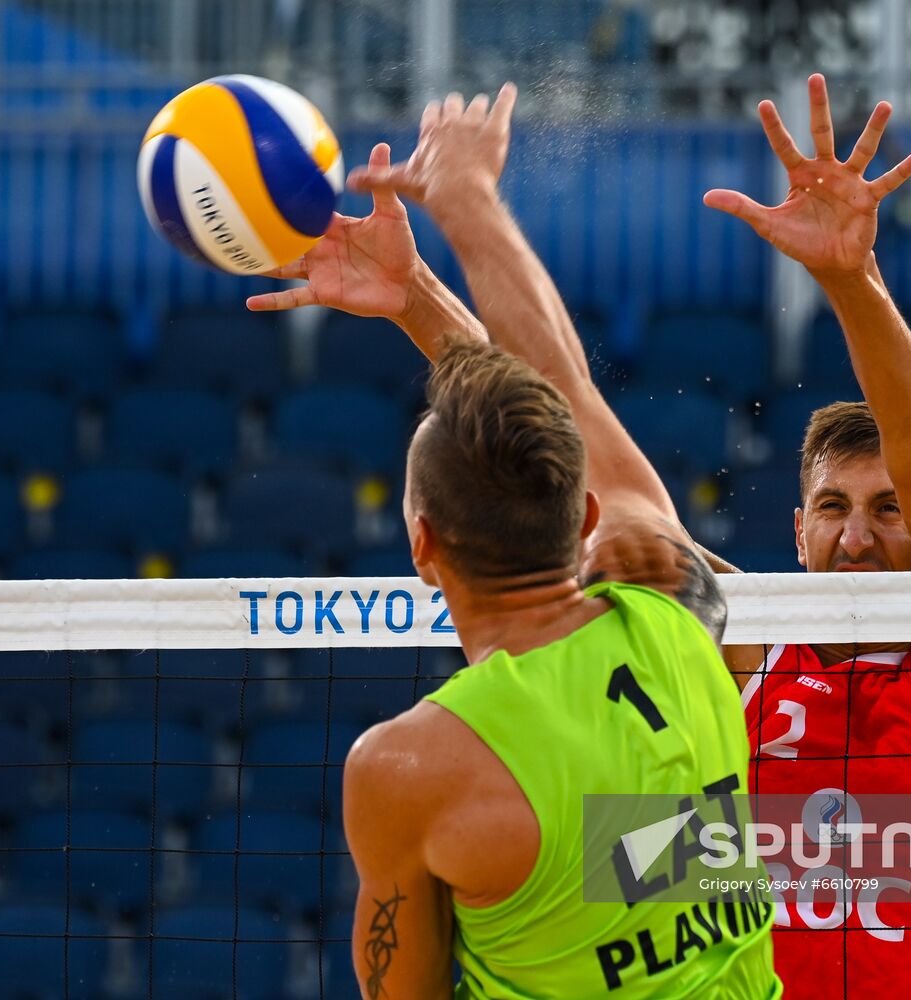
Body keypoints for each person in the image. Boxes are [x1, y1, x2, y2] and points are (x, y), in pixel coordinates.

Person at [249, 98, 781, 998]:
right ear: (582, 519)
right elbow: (560, 388)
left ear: (421, 544)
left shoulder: (407, 768)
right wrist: (462, 205)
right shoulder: (679, 616)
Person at [698, 75, 911, 998]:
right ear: (796, 529)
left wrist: (848, 280)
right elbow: (584, 495)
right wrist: (421, 301)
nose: (857, 538)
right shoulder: (740, 645)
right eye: (833, 510)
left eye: (887, 509)